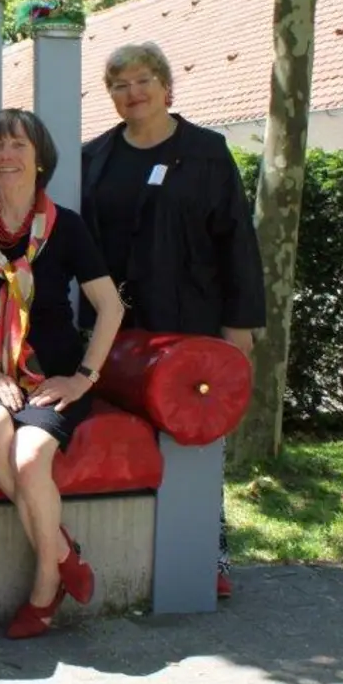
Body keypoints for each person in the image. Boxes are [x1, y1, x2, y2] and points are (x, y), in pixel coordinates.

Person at [78, 42, 265, 600]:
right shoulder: (95, 158)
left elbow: (238, 242)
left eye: (141, 81)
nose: (131, 94)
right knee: (127, 436)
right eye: (119, 86)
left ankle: (209, 555)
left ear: (165, 86)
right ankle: (140, 555)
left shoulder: (206, 152)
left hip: (193, 321)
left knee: (194, 437)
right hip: (115, 326)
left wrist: (240, 326)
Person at [0, 109, 126, 639]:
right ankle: (66, 552)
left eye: (18, 145)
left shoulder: (66, 226)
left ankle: (47, 581)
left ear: (39, 157)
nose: (7, 155)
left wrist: (83, 379)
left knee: (28, 453)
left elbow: (110, 308)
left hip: (56, 374)